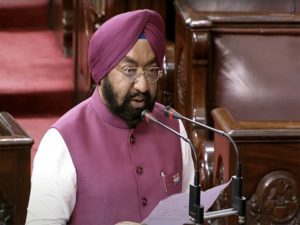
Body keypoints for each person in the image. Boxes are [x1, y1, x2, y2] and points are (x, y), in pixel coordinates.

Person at [26, 9, 194, 225]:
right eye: (130, 70)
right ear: (102, 73)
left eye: (152, 70)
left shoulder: (174, 128)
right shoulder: (61, 142)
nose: (143, 85)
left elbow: (190, 217)